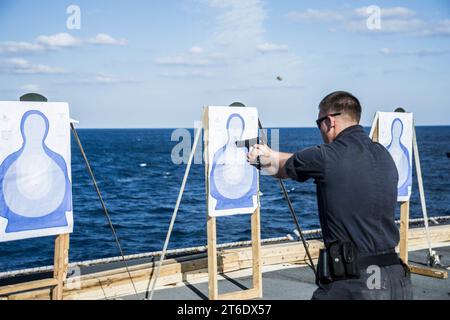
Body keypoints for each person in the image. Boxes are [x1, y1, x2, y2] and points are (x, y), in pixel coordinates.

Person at [247, 91, 413, 300]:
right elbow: (308, 161)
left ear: (329, 122)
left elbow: (280, 168)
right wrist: (272, 153)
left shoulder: (326, 156)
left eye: (319, 124)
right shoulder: (383, 154)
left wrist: (259, 160)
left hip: (357, 283)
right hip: (397, 279)